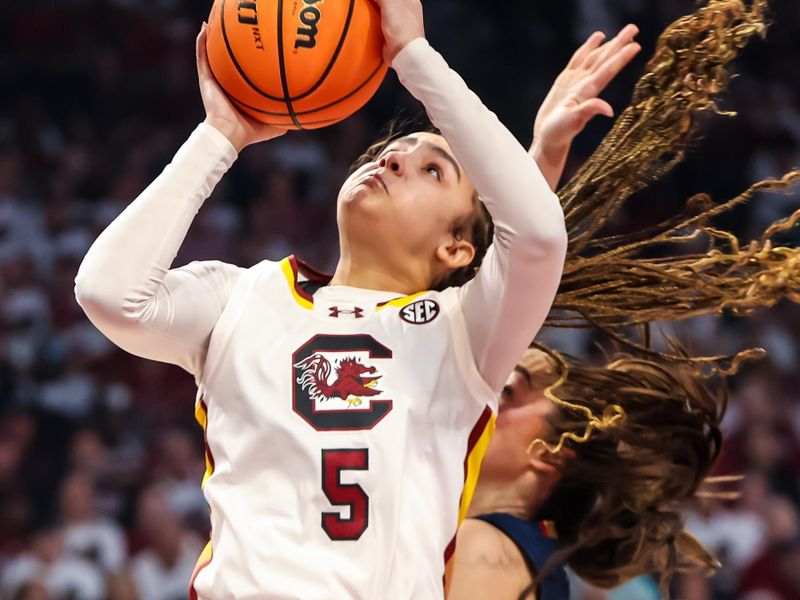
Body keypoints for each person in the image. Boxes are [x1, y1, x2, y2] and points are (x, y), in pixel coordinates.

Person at [73, 0, 641, 597]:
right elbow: (108, 293)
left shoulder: (460, 333)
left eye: (432, 171)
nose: (392, 156)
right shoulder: (241, 295)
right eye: (391, 151)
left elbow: (538, 236)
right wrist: (221, 135)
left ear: (456, 249)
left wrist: (416, 58)